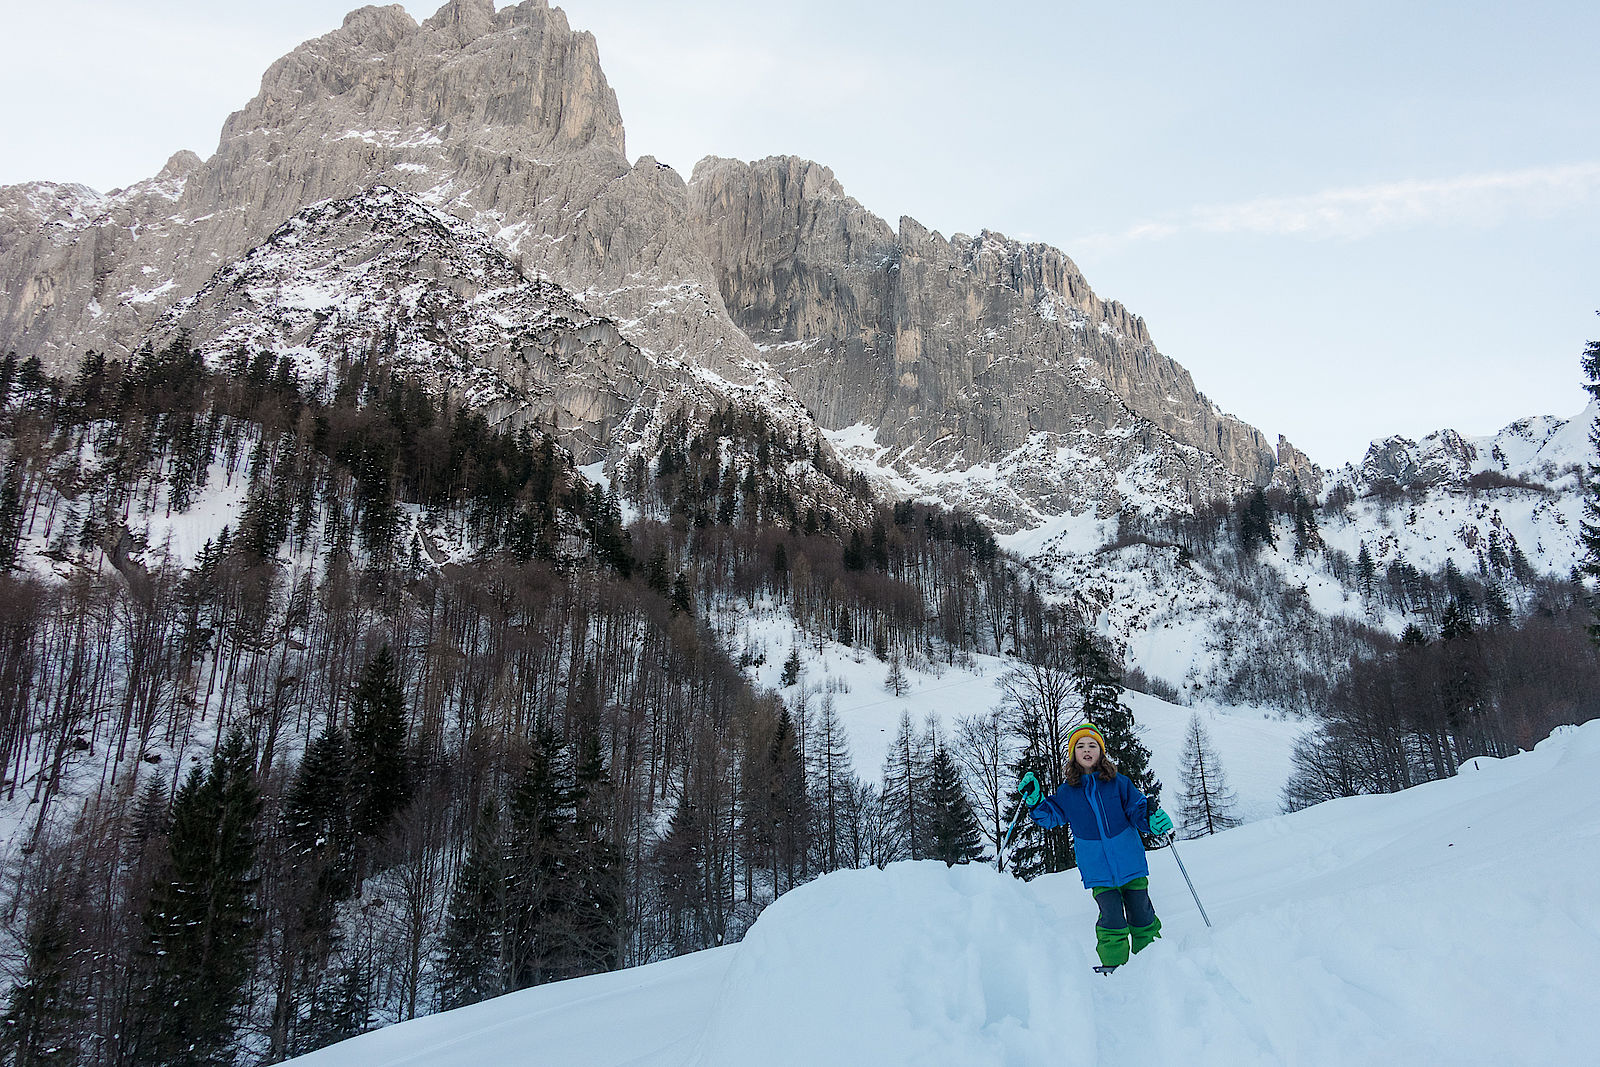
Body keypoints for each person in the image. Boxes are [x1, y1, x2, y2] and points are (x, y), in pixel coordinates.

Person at [1019, 722, 1174, 972]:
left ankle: (1154, 962)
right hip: (1098, 871)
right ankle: (1114, 966)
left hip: (1130, 863)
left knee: (1142, 913)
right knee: (1111, 918)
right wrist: (1036, 801)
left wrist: (1151, 821)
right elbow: (1050, 816)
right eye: (1080, 746)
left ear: (1101, 751)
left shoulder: (1119, 783)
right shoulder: (1067, 793)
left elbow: (1137, 810)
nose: (1087, 749)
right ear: (1073, 754)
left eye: (1092, 745)